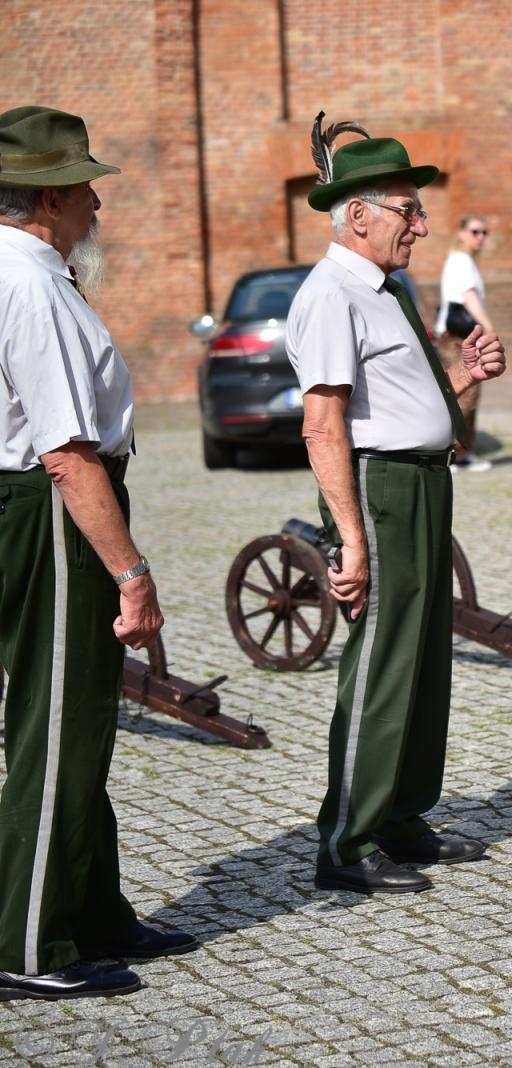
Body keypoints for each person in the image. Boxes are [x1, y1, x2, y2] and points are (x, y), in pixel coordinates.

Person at [0, 105, 197, 1001]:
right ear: (45, 197)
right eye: (83, 185)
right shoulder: (32, 283)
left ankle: (91, 907)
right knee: (55, 723)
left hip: (46, 508)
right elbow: (69, 455)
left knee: (78, 719)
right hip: (52, 513)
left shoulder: (37, 269)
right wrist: (132, 571)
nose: (95, 201)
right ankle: (31, 939)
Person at [288, 120, 506, 893]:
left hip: (422, 481)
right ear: (358, 215)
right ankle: (346, 841)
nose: (420, 225)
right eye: (407, 211)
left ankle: (402, 814)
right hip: (379, 489)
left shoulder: (385, 289)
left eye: (417, 212)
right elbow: (324, 423)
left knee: (422, 660)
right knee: (382, 662)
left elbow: (416, 404)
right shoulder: (330, 296)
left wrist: (469, 376)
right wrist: (348, 537)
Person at [435, 214, 495, 472]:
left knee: (466, 393)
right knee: (464, 394)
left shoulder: (461, 260)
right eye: (474, 231)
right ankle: (452, 453)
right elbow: (468, 296)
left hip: (458, 336)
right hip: (459, 338)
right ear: (461, 233)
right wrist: (489, 329)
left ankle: (462, 453)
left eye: (484, 232)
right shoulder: (461, 259)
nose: (479, 237)